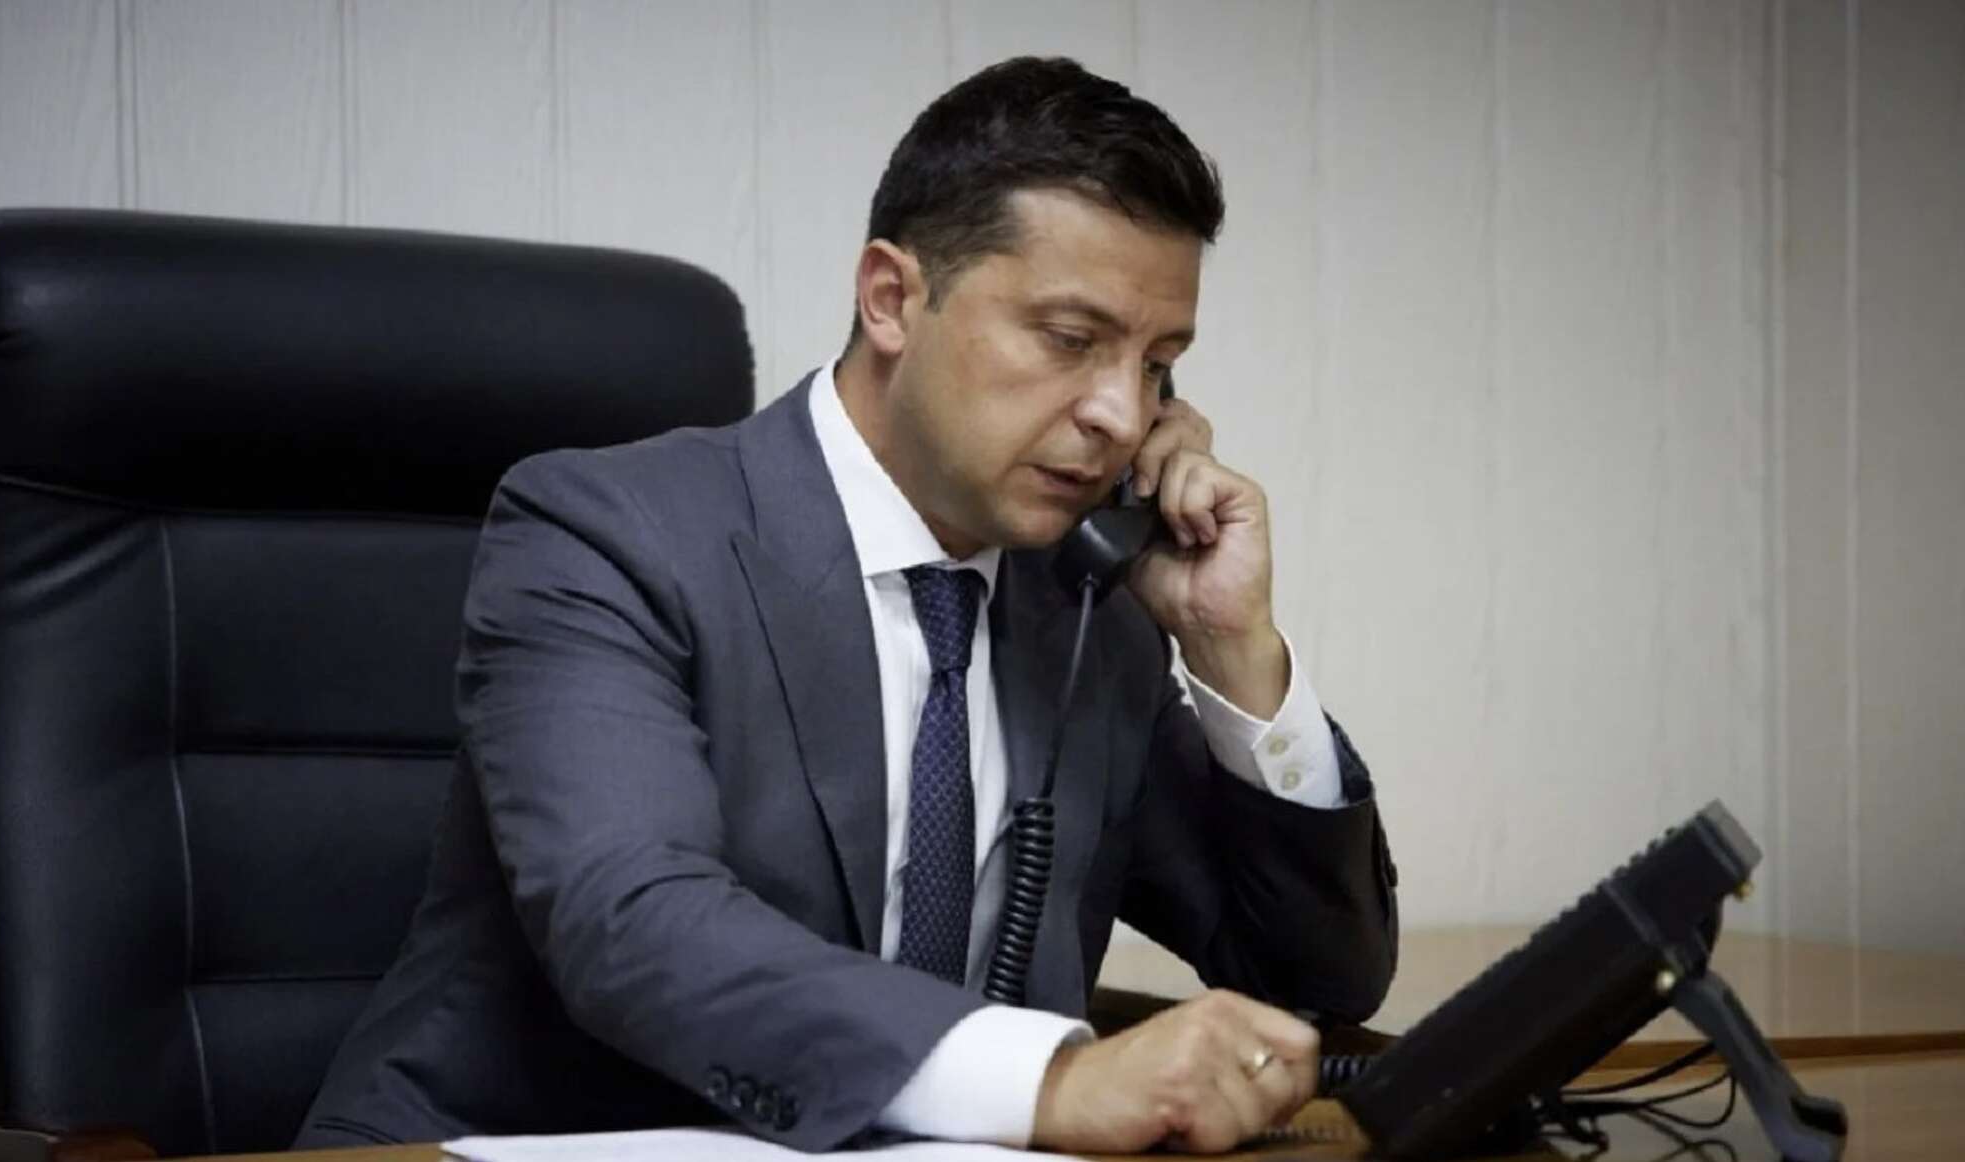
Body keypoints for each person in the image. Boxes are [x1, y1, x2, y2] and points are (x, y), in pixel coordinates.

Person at [297, 56, 1396, 1156]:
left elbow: (1313, 979)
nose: (1121, 413)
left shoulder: (1086, 604)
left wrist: (1229, 643)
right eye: (1071, 341)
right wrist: (1052, 1080)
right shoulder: (604, 532)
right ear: (890, 299)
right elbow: (631, 923)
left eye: (1157, 365)